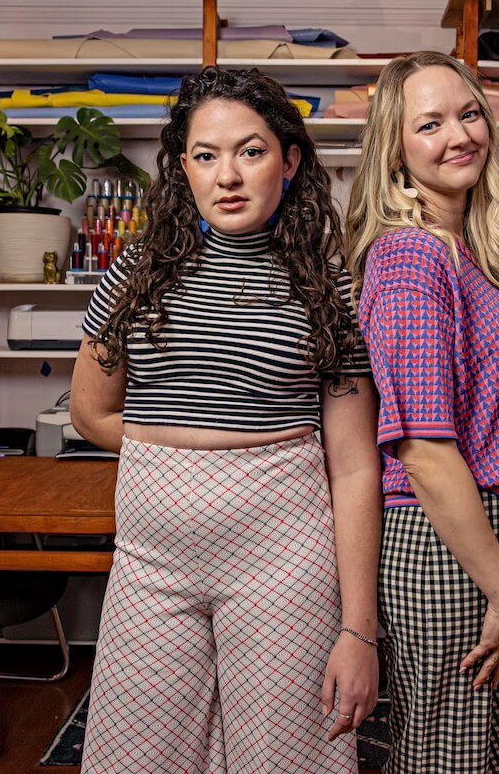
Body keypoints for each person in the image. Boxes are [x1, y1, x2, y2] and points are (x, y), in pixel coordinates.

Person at [71, 66, 381, 774]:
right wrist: (184, 453)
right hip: (152, 563)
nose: (227, 176)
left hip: (285, 561)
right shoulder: (138, 272)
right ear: (183, 169)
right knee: (133, 758)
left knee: (287, 758)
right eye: (206, 156)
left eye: (251, 151)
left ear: (290, 161)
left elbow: (357, 464)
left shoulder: (329, 288)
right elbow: (91, 414)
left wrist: (359, 631)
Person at [346, 50, 499, 774]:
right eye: (429, 124)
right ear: (395, 151)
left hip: (496, 546)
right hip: (444, 552)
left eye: (468, 114)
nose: (459, 135)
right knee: (448, 760)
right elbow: (423, 450)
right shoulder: (410, 260)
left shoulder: (471, 253)